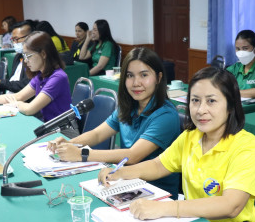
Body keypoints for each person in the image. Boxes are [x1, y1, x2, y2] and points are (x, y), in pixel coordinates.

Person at [98, 67, 255, 222]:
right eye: (195, 100)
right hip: (191, 221)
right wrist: (120, 172)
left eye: (211, 101)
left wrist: (164, 209)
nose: (201, 110)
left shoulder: (247, 146)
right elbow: (158, 166)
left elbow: (231, 206)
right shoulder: (190, 137)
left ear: (231, 106)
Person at [48, 47, 181, 198]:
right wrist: (70, 144)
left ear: (158, 77)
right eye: (130, 76)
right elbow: (97, 134)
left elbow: (133, 155)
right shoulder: (130, 106)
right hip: (124, 182)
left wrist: (81, 154)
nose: (136, 82)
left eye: (144, 75)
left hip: (157, 193)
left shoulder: (166, 115)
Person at [0, 31, 72, 122]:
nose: (25, 60)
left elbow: (30, 109)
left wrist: (16, 104)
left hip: (63, 132)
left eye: (28, 55)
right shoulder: (40, 75)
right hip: (47, 126)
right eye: (24, 55)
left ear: (43, 54)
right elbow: (18, 96)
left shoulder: (58, 77)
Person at [0, 20, 33, 93]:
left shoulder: (34, 60)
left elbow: (26, 86)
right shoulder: (18, 57)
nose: (14, 43)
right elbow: (12, 81)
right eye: (13, 39)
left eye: (16, 39)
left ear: (30, 37)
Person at [226, 30, 255, 101]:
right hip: (240, 105)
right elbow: (221, 88)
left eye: (245, 48)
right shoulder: (234, 68)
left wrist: (233, 92)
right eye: (238, 49)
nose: (241, 52)